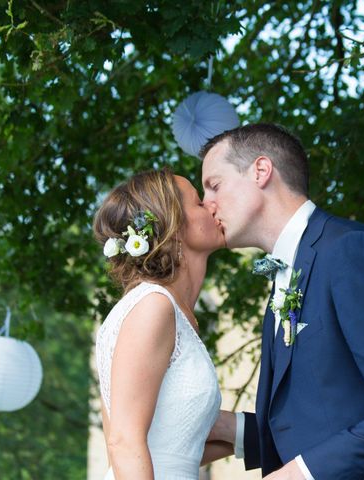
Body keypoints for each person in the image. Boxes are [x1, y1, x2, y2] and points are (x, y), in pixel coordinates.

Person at [201, 124, 364, 480]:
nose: (206, 203)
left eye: (214, 184)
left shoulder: (351, 251)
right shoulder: (287, 272)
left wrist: (299, 475)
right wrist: (233, 430)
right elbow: (325, 416)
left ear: (261, 171)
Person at [93, 169, 232, 480]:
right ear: (173, 228)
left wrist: (256, 436)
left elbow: (176, 450)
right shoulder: (153, 307)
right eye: (198, 203)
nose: (212, 206)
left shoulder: (170, 311)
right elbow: (123, 442)